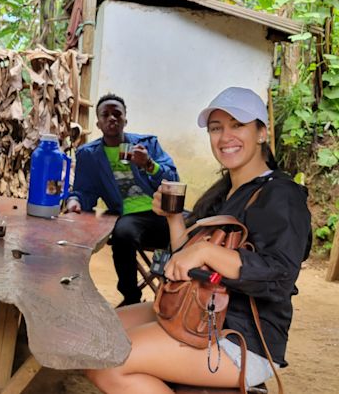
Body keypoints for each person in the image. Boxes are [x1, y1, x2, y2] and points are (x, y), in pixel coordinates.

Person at [85, 87, 311, 393]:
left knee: (110, 361)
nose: (225, 136)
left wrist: (206, 252)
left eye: (237, 125)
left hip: (241, 337)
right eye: (216, 128)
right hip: (195, 310)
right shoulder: (225, 191)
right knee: (98, 334)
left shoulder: (281, 194)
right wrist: (174, 218)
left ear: (261, 133)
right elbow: (184, 258)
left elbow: (280, 275)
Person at [63, 93, 178, 307]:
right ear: (98, 123)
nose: (112, 118)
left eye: (117, 114)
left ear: (126, 119)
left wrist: (149, 164)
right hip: (131, 217)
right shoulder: (89, 155)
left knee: (199, 228)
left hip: (164, 213)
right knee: (122, 233)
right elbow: (84, 191)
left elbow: (173, 179)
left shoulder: (148, 144)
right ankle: (131, 297)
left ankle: (176, 295)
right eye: (105, 115)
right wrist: (75, 202)